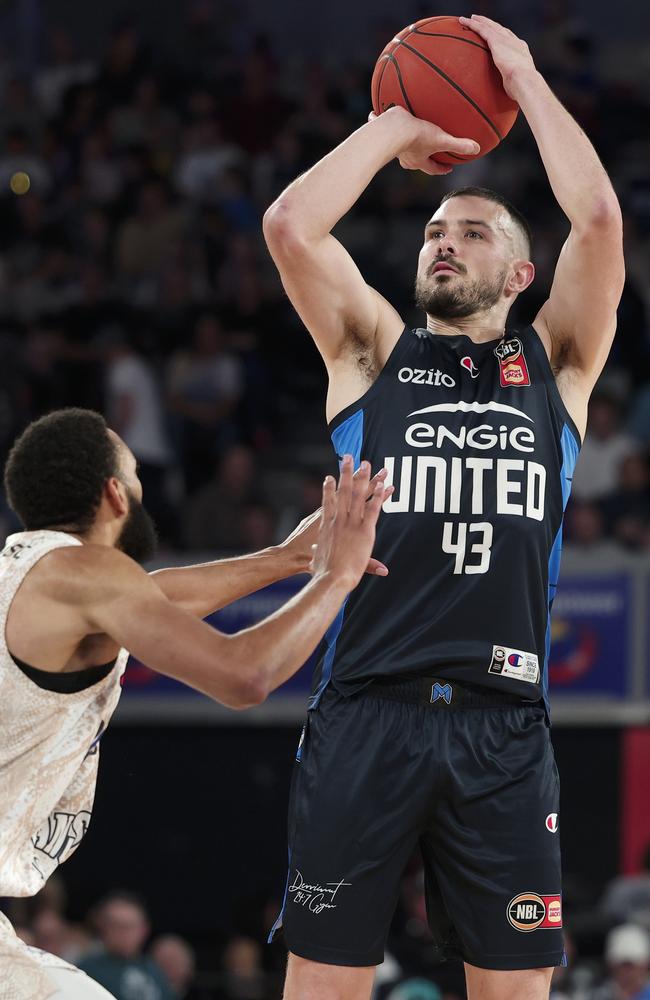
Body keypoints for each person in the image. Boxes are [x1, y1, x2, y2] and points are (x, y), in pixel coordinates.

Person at [263, 14, 624, 1000]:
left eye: (471, 231)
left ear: (518, 275)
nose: (442, 242)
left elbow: (596, 221)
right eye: (432, 230)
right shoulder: (372, 355)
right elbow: (292, 228)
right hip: (368, 709)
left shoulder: (554, 366)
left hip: (501, 723)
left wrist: (520, 78)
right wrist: (395, 121)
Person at [0, 406, 391, 999]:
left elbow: (156, 600)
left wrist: (284, 558)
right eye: (134, 474)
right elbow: (245, 675)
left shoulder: (34, 572)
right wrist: (336, 577)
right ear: (114, 494)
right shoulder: (85, 575)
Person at [78, 892, 173, 1000]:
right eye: (115, 925)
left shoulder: (154, 970)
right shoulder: (87, 971)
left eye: (129, 926)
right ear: (102, 927)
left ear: (144, 930)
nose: (122, 933)